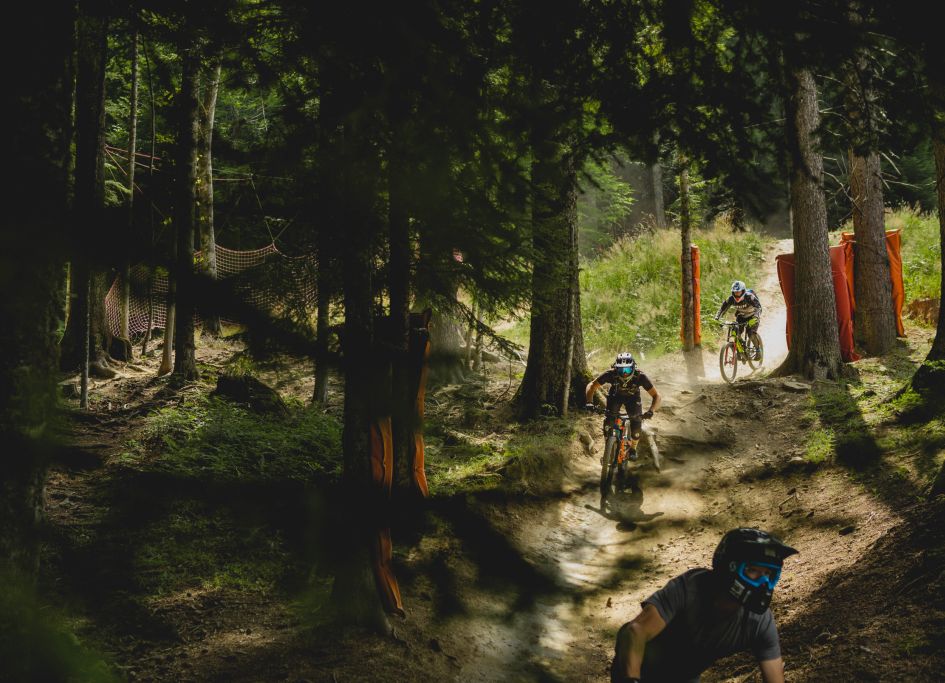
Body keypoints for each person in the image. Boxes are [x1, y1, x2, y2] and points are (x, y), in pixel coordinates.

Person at [611, 528, 798, 683]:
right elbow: (635, 633)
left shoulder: (759, 621)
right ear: (728, 568)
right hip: (637, 668)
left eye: (769, 574)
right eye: (752, 571)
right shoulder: (690, 588)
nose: (763, 583)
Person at [584, 352, 661, 464]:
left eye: (627, 370)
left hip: (633, 398)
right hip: (615, 396)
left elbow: (656, 396)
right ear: (616, 368)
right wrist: (589, 402)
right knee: (609, 423)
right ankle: (608, 449)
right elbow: (591, 386)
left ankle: (633, 449)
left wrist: (651, 411)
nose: (624, 374)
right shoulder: (610, 374)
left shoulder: (640, 376)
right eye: (621, 370)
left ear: (633, 368)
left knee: (636, 425)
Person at [715, 281, 762, 359]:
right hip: (741, 316)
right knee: (735, 332)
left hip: (753, 316)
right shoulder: (730, 299)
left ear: (743, 291)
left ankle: (758, 351)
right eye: (735, 292)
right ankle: (740, 350)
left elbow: (759, 307)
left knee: (751, 333)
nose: (737, 294)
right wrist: (717, 318)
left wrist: (756, 317)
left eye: (738, 292)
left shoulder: (749, 297)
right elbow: (722, 309)